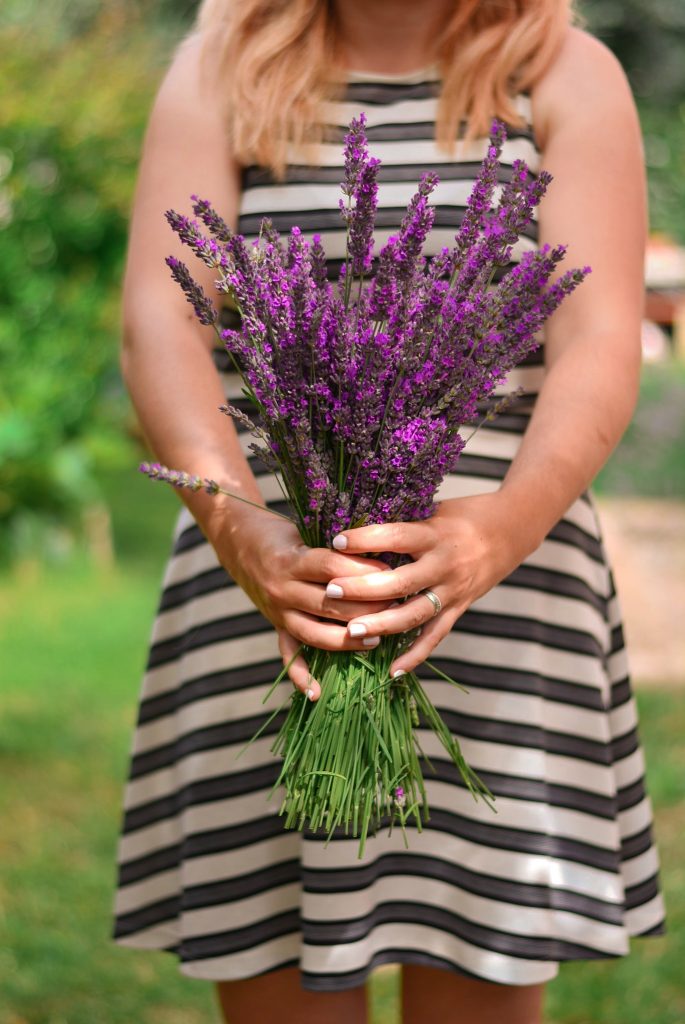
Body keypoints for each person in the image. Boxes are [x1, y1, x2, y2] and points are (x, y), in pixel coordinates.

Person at [110, 1, 667, 1021]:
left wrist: (501, 528)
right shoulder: (220, 67)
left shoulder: (563, 73)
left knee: (476, 964)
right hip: (266, 590)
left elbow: (596, 338)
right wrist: (241, 533)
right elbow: (161, 324)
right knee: (277, 954)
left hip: (505, 593)